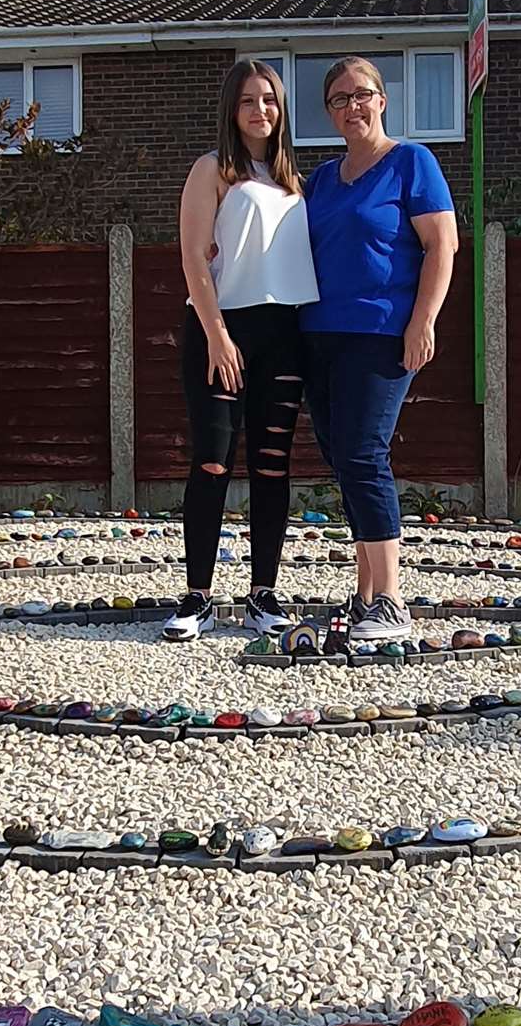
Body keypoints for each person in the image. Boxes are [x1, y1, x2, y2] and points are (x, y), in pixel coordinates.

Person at [301, 56, 457, 641]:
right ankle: (365, 592)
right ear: (329, 112)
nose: (352, 107)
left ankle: (390, 599)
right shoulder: (320, 180)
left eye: (361, 95)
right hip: (318, 336)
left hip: (381, 331)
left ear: (382, 100)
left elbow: (442, 245)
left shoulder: (411, 163)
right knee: (342, 459)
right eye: (339, 100)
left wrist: (424, 321)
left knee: (364, 453)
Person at [163, 59, 319, 641]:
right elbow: (192, 259)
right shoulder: (213, 170)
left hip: (284, 336)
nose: (261, 111)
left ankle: (263, 594)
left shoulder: (293, 182)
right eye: (249, 100)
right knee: (212, 462)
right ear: (233, 108)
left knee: (272, 467)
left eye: (271, 100)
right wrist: (218, 335)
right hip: (221, 331)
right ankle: (198, 596)